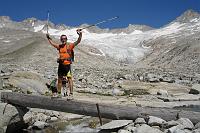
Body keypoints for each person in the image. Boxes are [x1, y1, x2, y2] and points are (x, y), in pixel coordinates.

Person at [46, 29, 82, 98]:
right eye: (62, 39)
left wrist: (80, 34)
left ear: (66, 39)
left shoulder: (70, 46)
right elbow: (52, 44)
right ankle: (59, 93)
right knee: (59, 79)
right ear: (60, 39)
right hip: (61, 65)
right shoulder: (59, 47)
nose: (63, 40)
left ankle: (71, 94)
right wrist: (48, 38)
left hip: (67, 65)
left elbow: (78, 41)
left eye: (65, 39)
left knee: (69, 79)